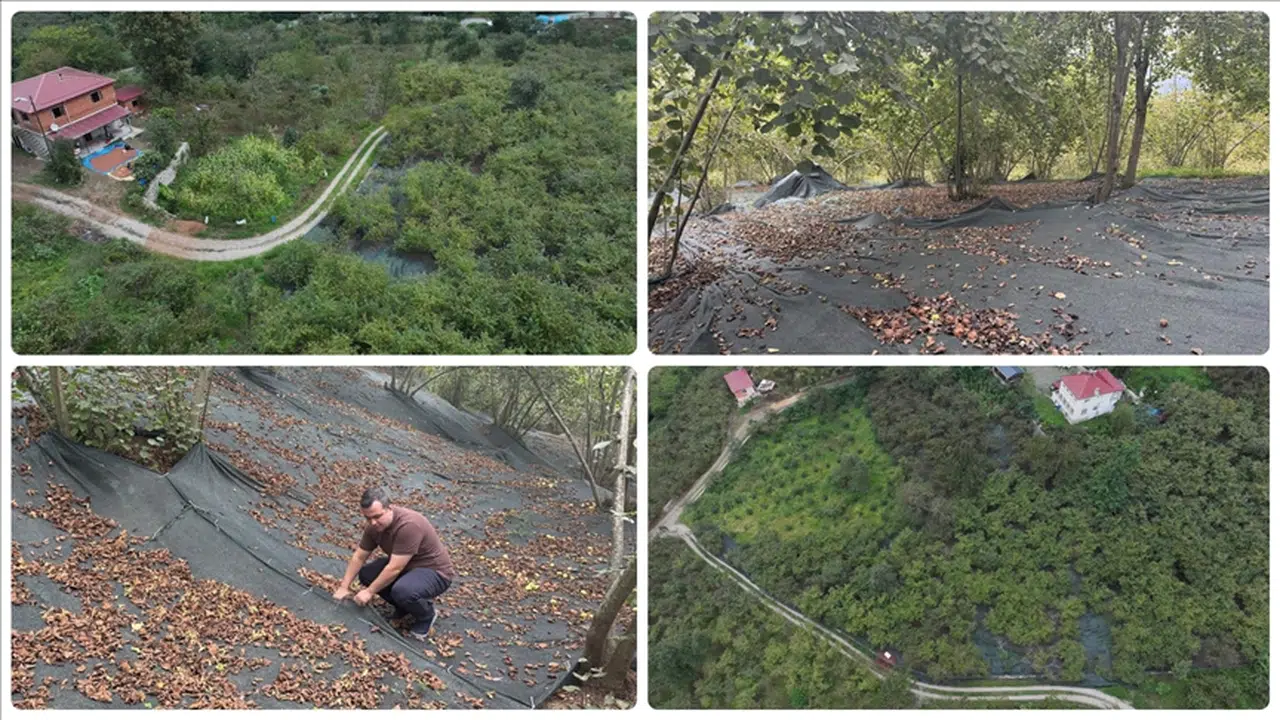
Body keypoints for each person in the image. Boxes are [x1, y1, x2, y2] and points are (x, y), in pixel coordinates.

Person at [332, 487, 455, 640]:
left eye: (377, 516)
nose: (373, 522)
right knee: (366, 574)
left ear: (389, 508)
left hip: (435, 572)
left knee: (403, 591)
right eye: (368, 518)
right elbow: (359, 556)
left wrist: (369, 592)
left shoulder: (408, 526)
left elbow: (395, 568)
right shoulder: (373, 526)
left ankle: (426, 615)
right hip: (408, 566)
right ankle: (404, 606)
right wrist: (344, 587)